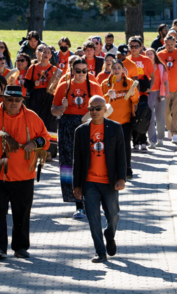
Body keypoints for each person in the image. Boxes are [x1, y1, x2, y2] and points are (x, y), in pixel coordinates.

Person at [0, 85, 50, 260]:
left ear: (22, 101)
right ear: (3, 99)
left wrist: (34, 144)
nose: (13, 103)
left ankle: (20, 247)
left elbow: (46, 139)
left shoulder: (32, 117)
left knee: (22, 212)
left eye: (17, 100)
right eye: (10, 99)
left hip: (24, 176)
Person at [73, 95, 127, 263]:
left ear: (105, 109)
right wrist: (76, 185)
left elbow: (121, 156)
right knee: (93, 217)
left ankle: (109, 236)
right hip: (89, 182)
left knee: (113, 216)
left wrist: (121, 179)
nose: (94, 112)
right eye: (91, 108)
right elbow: (78, 160)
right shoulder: (81, 131)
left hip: (110, 182)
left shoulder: (115, 128)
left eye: (98, 108)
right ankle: (100, 251)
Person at [51, 57, 102, 219]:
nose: (81, 74)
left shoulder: (94, 87)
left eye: (84, 71)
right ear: (72, 70)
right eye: (78, 71)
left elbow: (103, 109)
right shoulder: (63, 87)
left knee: (92, 163)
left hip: (88, 126)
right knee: (69, 164)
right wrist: (62, 107)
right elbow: (54, 110)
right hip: (67, 126)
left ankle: (92, 201)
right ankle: (78, 204)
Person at [100, 60, 139, 179]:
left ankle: (127, 168)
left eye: (119, 68)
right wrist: (107, 95)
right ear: (111, 70)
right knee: (110, 146)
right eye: (114, 68)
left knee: (126, 145)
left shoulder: (130, 82)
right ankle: (111, 169)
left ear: (123, 70)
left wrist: (132, 95)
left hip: (125, 120)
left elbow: (136, 101)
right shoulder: (105, 84)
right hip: (110, 120)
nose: (116, 70)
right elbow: (100, 102)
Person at [129, 36, 155, 151]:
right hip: (130, 94)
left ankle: (143, 140)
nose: (134, 48)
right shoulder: (126, 60)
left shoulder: (146, 60)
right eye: (131, 46)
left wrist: (150, 87)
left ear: (141, 47)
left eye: (136, 46)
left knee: (143, 115)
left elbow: (152, 77)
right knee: (133, 116)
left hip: (143, 93)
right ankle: (135, 142)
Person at [24, 45, 58, 132]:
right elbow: (26, 84)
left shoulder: (54, 69)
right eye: (44, 52)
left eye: (48, 53)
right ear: (40, 53)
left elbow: (57, 85)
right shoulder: (33, 67)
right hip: (36, 97)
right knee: (35, 118)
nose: (46, 54)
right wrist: (33, 84)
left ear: (51, 56)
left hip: (49, 96)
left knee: (48, 121)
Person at [145, 48, 169, 148]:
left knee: (160, 117)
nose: (149, 55)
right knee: (150, 118)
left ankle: (160, 139)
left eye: (151, 53)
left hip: (160, 94)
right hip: (149, 94)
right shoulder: (144, 67)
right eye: (147, 54)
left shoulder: (160, 66)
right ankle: (152, 141)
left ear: (155, 55)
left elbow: (165, 80)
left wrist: (167, 91)